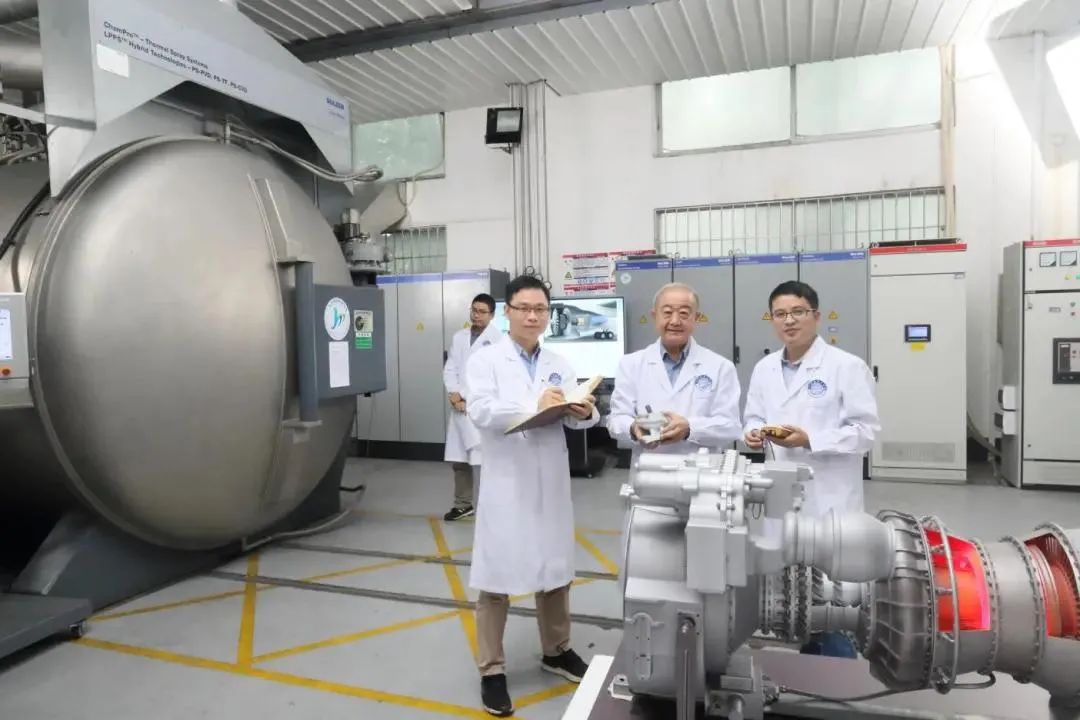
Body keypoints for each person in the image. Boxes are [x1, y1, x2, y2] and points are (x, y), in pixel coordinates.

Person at [465, 274, 599, 717]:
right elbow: (481, 409)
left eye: (540, 309)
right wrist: (533, 407)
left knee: (555, 568)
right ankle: (492, 669)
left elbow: (575, 417)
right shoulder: (486, 360)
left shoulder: (558, 360)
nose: (532, 316)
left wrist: (584, 410)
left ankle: (556, 650)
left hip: (550, 480)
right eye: (523, 308)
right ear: (508, 312)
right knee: (496, 577)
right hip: (508, 481)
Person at [742, 280, 880, 658]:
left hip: (829, 503)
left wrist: (810, 439)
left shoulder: (846, 367)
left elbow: (865, 433)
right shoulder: (764, 368)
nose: (789, 321)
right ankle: (805, 666)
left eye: (798, 312)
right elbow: (753, 416)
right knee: (792, 601)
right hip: (780, 502)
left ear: (816, 316)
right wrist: (752, 433)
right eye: (780, 314)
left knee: (833, 603)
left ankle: (837, 677)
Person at [607, 282, 741, 459]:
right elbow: (616, 420)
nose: (675, 321)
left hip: (702, 470)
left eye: (684, 313)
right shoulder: (631, 364)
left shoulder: (721, 367)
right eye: (667, 312)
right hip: (649, 468)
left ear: (696, 317)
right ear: (654, 316)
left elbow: (731, 426)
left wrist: (690, 428)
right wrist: (633, 428)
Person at [442, 293, 502, 521]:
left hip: (481, 409)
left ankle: (491, 507)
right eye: (474, 310)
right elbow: (451, 368)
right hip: (459, 408)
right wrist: (454, 394)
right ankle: (463, 504)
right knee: (459, 460)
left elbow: (494, 379)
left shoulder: (499, 342)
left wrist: (467, 398)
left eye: (482, 312)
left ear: (492, 315)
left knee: (484, 461)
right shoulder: (459, 337)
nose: (476, 315)